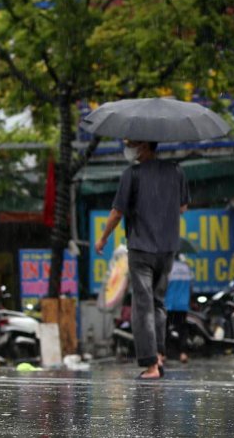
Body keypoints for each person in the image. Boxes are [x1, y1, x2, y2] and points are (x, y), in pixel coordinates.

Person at [95, 139, 189, 379]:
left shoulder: (132, 174)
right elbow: (182, 207)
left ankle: (150, 366)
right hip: (167, 248)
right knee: (158, 303)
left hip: (141, 247)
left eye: (132, 143)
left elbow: (117, 212)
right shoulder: (176, 170)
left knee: (143, 305)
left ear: (145, 145)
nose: (128, 148)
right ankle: (158, 354)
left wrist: (103, 238)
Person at [165, 254, 193, 364]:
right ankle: (183, 353)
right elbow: (191, 287)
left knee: (165, 328)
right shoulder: (186, 268)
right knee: (182, 329)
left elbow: (163, 285)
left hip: (169, 303)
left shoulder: (168, 268)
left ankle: (163, 354)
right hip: (182, 304)